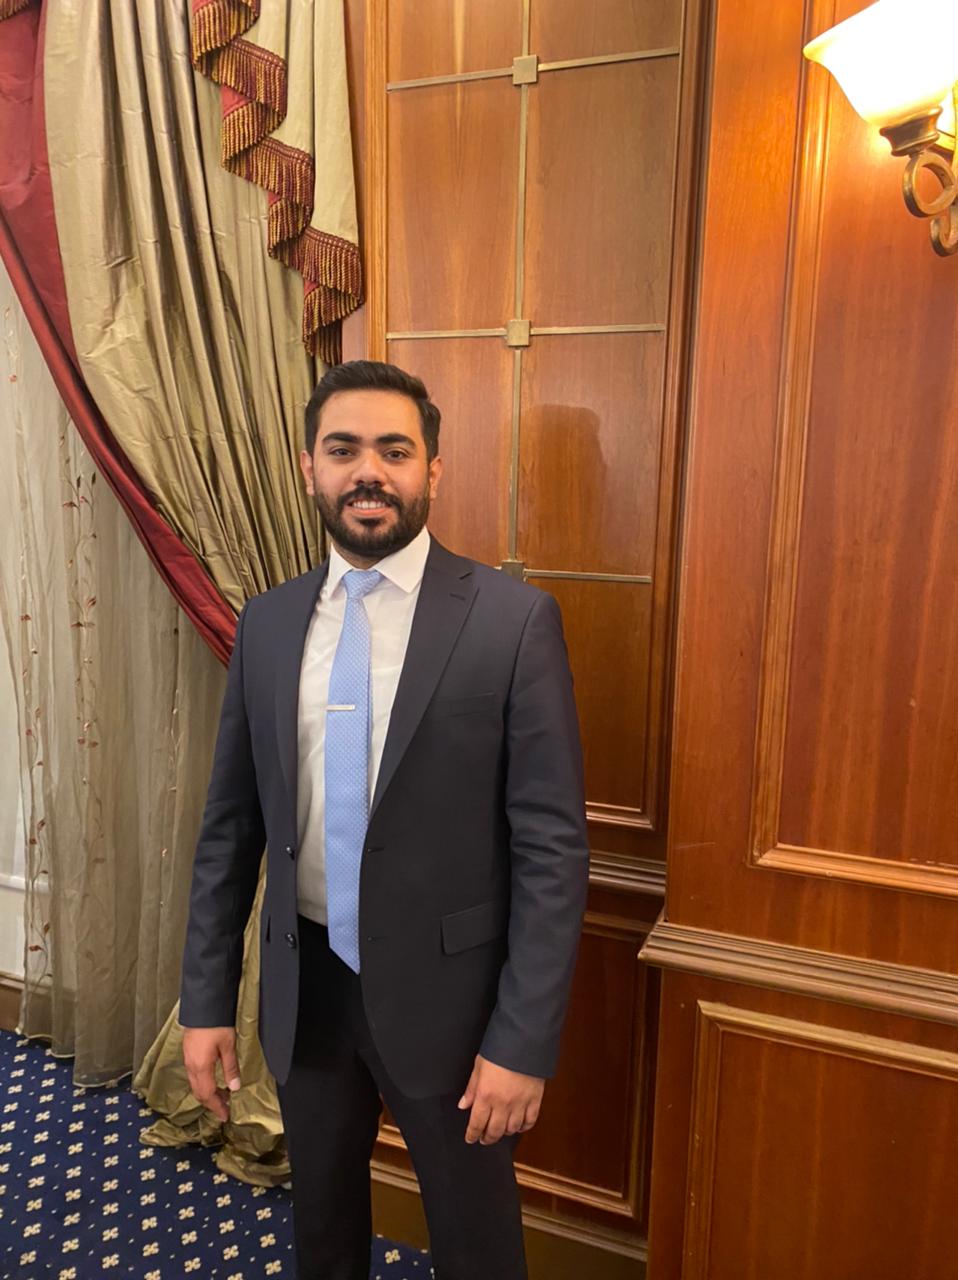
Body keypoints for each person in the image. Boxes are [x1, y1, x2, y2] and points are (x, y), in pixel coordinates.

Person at [178, 360, 589, 1280]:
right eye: (344, 449)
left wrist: (522, 1040)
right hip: (307, 990)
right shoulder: (268, 623)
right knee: (322, 1233)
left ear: (431, 470)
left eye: (394, 451)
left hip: (457, 1007)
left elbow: (552, 850)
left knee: (478, 1248)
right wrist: (205, 1003)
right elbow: (229, 831)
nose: (369, 471)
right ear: (309, 469)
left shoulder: (512, 622)